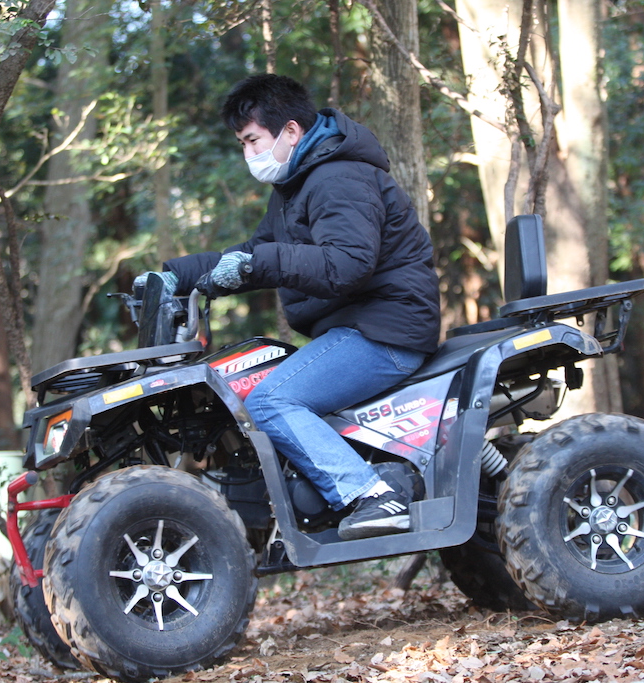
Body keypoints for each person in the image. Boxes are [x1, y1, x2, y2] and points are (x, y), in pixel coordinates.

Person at [141, 74, 440, 539]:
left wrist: (258, 262)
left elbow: (347, 264)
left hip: (386, 329)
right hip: (357, 328)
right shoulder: (295, 188)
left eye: (252, 140)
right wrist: (175, 276)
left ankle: (372, 496)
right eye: (242, 144)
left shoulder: (339, 178)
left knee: (270, 400)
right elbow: (253, 253)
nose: (248, 154)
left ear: (292, 131)